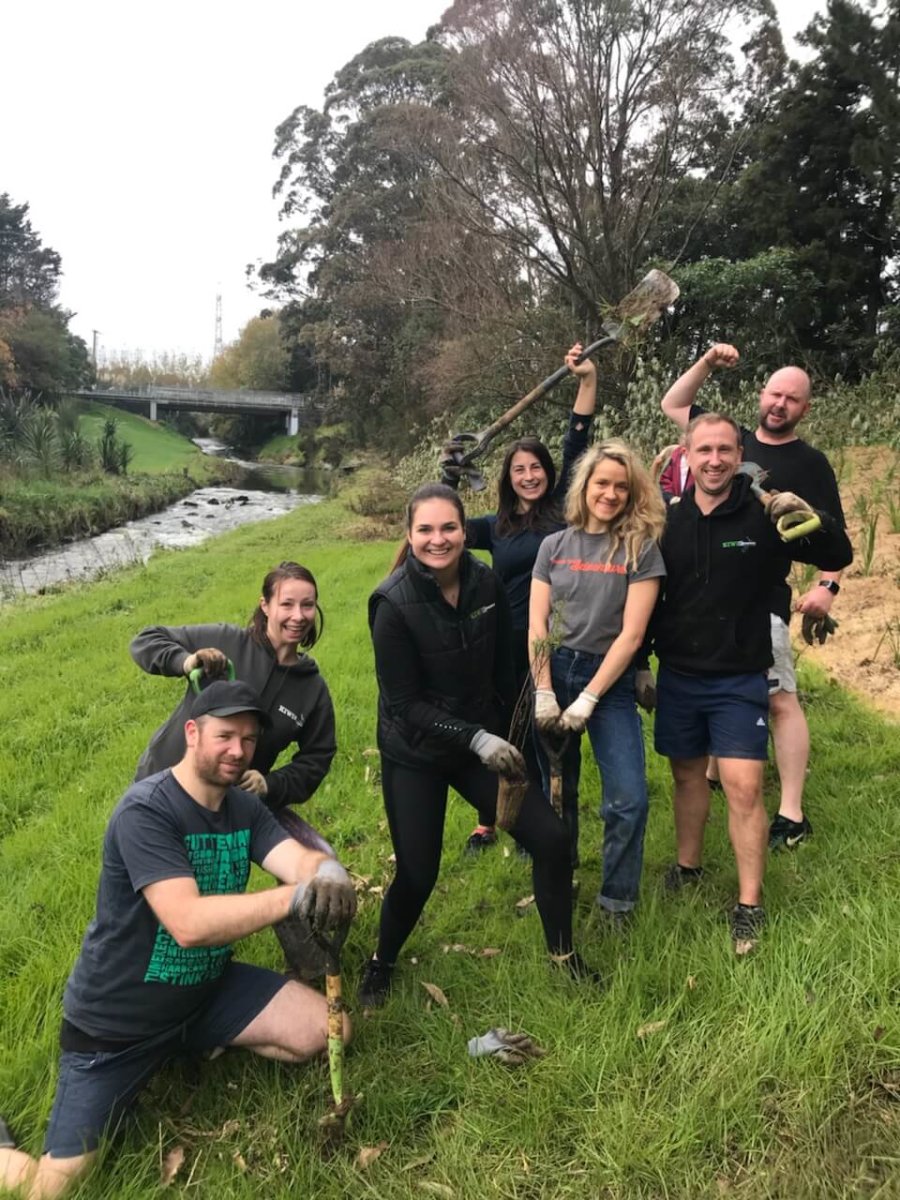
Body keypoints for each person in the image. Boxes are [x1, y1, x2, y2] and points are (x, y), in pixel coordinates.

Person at [0, 681, 356, 1199]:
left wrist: (329, 873)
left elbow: (297, 860)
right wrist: (295, 897)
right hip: (118, 1026)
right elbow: (188, 924)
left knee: (331, 1030)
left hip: (205, 992)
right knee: (52, 1188)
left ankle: (194, 1043)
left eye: (249, 740)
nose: (238, 750)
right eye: (225, 735)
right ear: (192, 733)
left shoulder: (243, 807)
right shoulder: (145, 811)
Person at [359, 483, 590, 1009]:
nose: (438, 539)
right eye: (426, 530)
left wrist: (526, 726)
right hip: (414, 751)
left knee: (551, 840)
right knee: (418, 874)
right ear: (410, 534)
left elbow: (506, 668)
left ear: (466, 530)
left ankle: (563, 955)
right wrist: (476, 738)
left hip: (479, 744)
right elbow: (404, 704)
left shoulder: (485, 582)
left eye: (449, 528)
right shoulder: (390, 604)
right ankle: (382, 961)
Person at [651, 414, 852, 953]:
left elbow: (838, 555)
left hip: (740, 675)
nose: (714, 460)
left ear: (739, 454)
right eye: (703, 450)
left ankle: (748, 903)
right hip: (680, 674)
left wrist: (814, 518)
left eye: (724, 450)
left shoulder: (764, 514)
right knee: (688, 778)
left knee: (741, 787)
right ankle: (688, 867)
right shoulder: (668, 520)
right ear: (686, 457)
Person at [660, 346, 847, 847]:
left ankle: (789, 811)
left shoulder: (810, 464)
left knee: (778, 697)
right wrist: (704, 362)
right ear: (761, 395)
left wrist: (827, 586)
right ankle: (720, 776)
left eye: (793, 398)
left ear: (805, 408)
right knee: (721, 685)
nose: (781, 404)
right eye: (775, 393)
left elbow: (836, 540)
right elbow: (674, 403)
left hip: (763, 599)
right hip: (708, 598)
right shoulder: (728, 440)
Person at [130, 561, 338, 978]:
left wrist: (272, 783)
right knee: (164, 889)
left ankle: (309, 969)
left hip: (239, 801)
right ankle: (142, 968)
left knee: (325, 865)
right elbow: (145, 640)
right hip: (167, 787)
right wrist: (185, 660)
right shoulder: (226, 643)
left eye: (308, 606)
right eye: (287, 604)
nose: (298, 616)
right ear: (265, 606)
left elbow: (318, 756)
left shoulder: (311, 688)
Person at [442, 343, 598, 852]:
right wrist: (449, 476)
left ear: (549, 473)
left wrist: (585, 380)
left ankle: (552, 831)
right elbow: (443, 529)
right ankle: (499, 820)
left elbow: (578, 443)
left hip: (554, 642)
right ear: (508, 480)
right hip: (502, 644)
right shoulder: (496, 526)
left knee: (549, 740)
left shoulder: (563, 513)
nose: (528, 476)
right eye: (518, 471)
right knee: (504, 731)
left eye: (536, 468)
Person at [528, 441, 666, 917]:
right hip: (555, 672)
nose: (609, 493)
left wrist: (588, 698)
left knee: (628, 798)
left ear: (632, 494)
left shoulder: (640, 550)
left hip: (608, 684)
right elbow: (537, 627)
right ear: (584, 485)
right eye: (601, 483)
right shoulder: (553, 546)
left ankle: (616, 902)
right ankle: (556, 886)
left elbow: (631, 635)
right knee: (556, 794)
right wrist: (545, 690)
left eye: (621, 487)